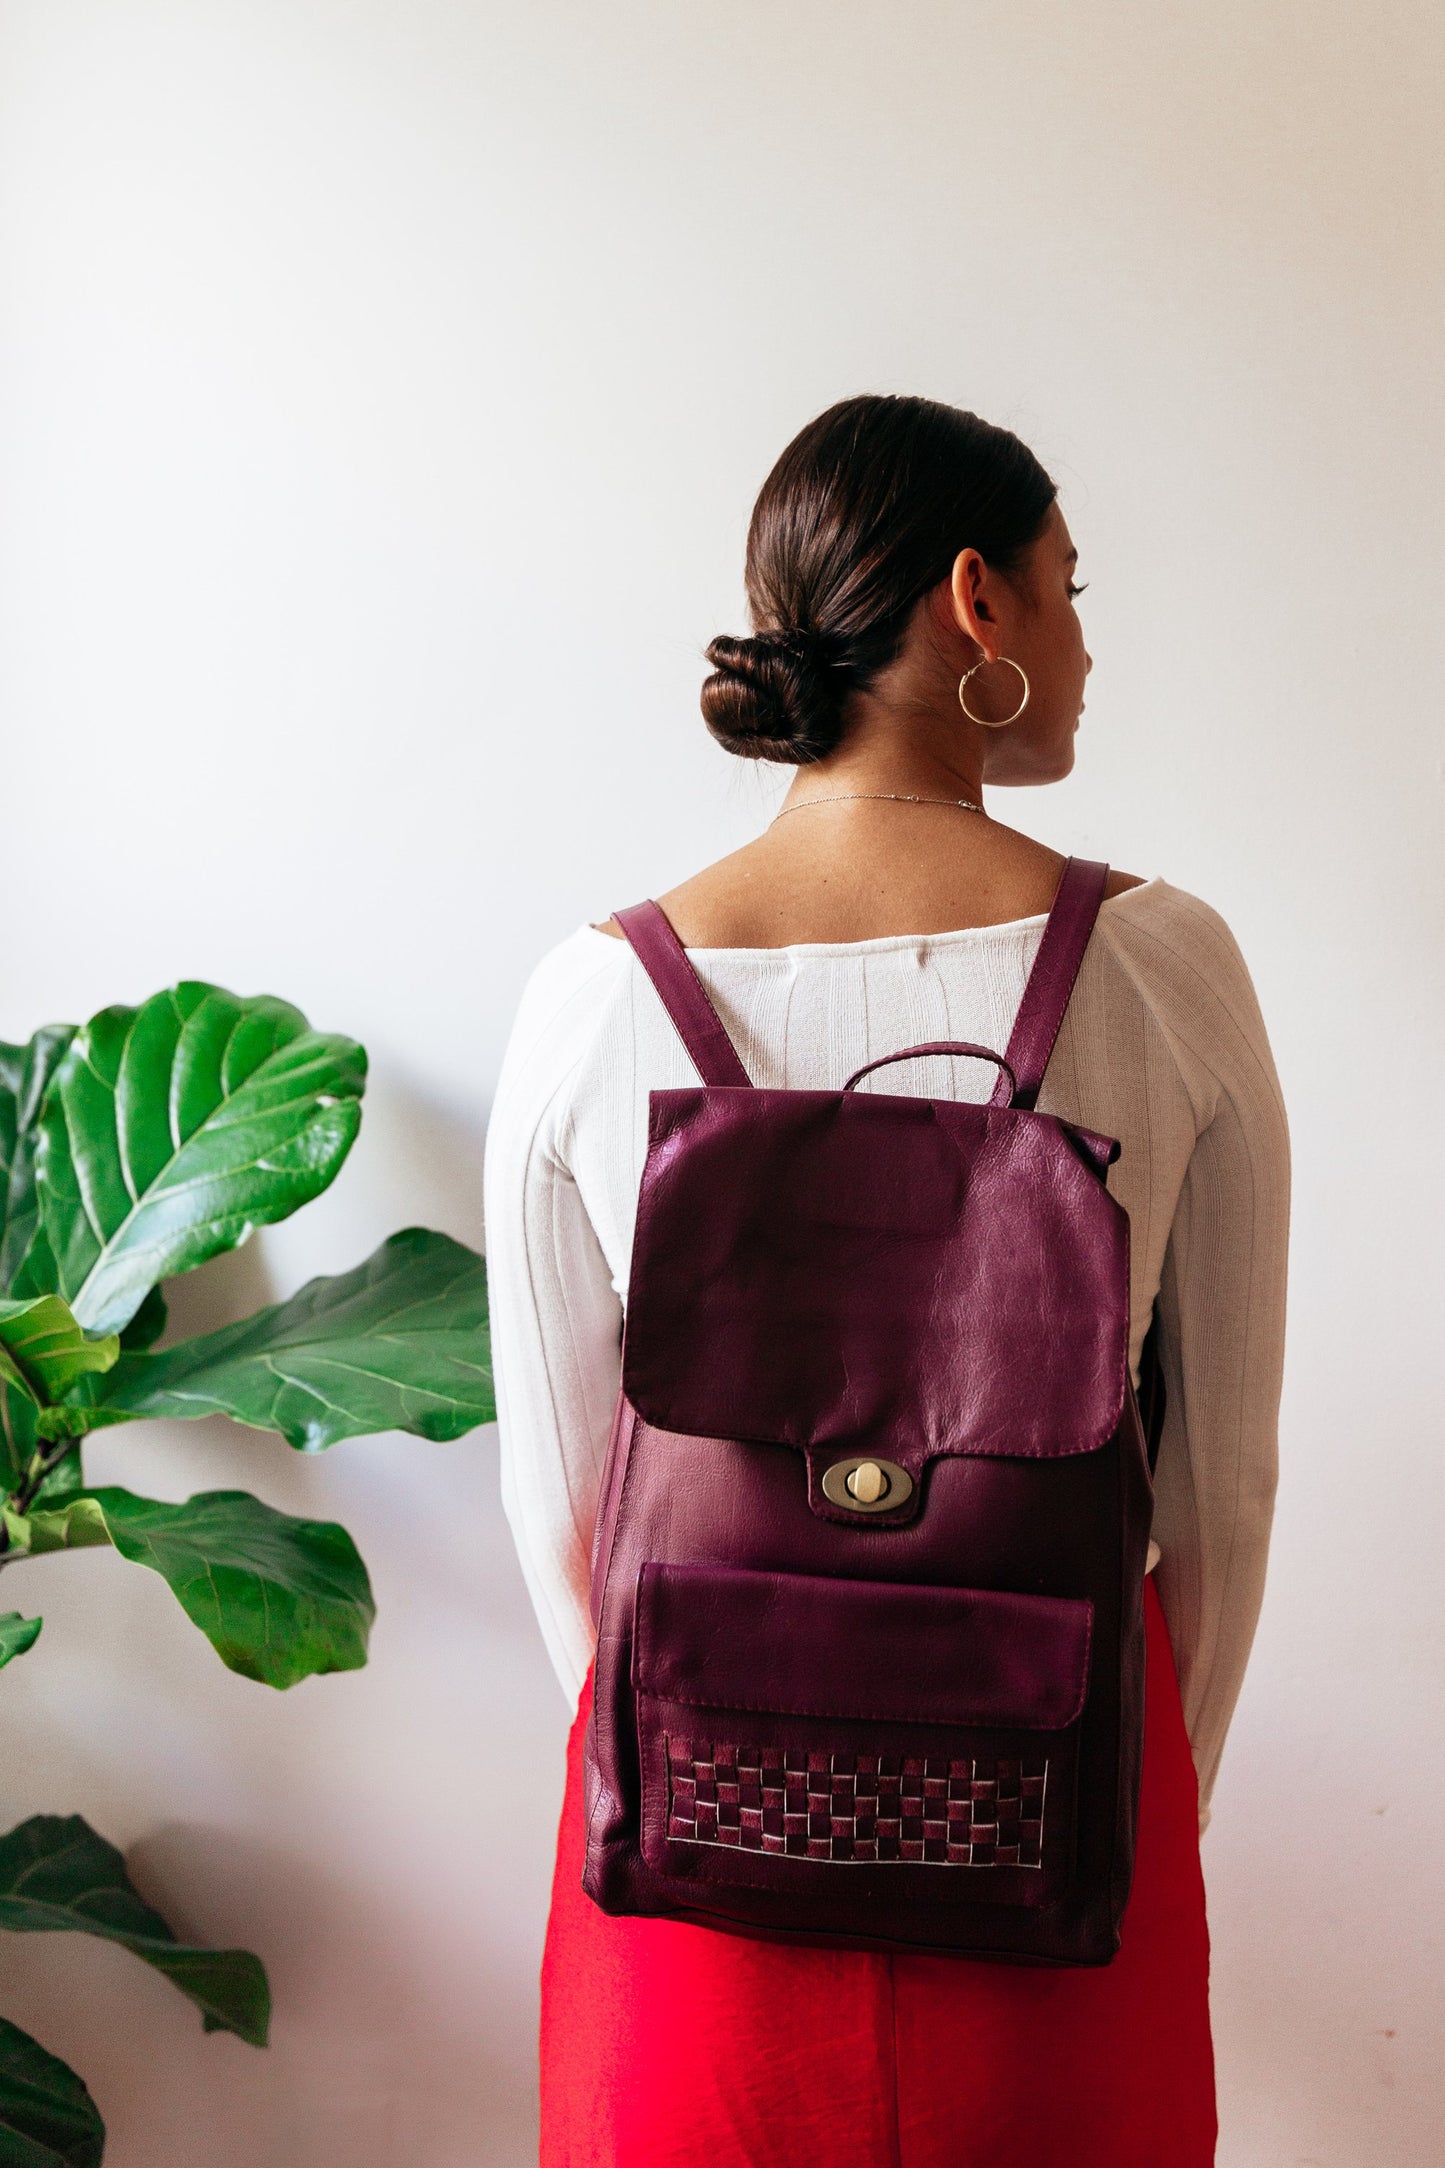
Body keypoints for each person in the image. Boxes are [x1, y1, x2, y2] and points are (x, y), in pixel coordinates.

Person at [482, 393, 1291, 2166]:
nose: (1086, 643)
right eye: (1070, 587)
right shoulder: (1162, 969)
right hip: (1059, 1818)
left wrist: (707, 1778)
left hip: (693, 1871)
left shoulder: (595, 997)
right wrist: (1142, 1802)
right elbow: (1217, 1491)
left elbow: (562, 1517)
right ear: (975, 604)